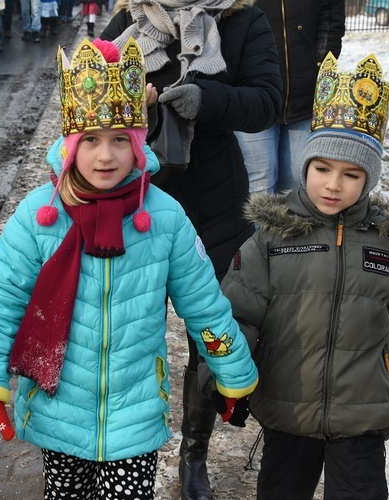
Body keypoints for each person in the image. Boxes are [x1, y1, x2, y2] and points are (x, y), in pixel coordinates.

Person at [0, 38, 259, 499]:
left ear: (138, 144)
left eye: (120, 139)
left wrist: (233, 371)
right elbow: (1, 304)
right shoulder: (38, 216)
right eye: (92, 141)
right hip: (59, 408)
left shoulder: (163, 217)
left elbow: (204, 303)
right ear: (70, 145)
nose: (106, 156)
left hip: (134, 412)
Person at [219, 53, 389, 499]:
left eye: (351, 174)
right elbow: (237, 316)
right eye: (322, 169)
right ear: (306, 165)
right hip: (287, 406)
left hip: (363, 412)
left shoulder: (388, 245)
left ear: (368, 180)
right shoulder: (273, 238)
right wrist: (225, 382)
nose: (333, 185)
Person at [100, 1, 283, 498]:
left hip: (215, 206)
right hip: (138, 205)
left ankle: (193, 454)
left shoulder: (243, 19)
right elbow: (90, 95)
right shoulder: (127, 23)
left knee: (211, 331)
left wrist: (206, 99)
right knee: (131, 328)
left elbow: (267, 100)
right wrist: (127, 105)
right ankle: (124, 446)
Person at [236, 0, 345, 195]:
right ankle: (259, 227)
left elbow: (331, 24)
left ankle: (289, 226)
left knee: (297, 180)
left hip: (305, 96)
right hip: (254, 96)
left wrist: (318, 65)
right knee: (260, 181)